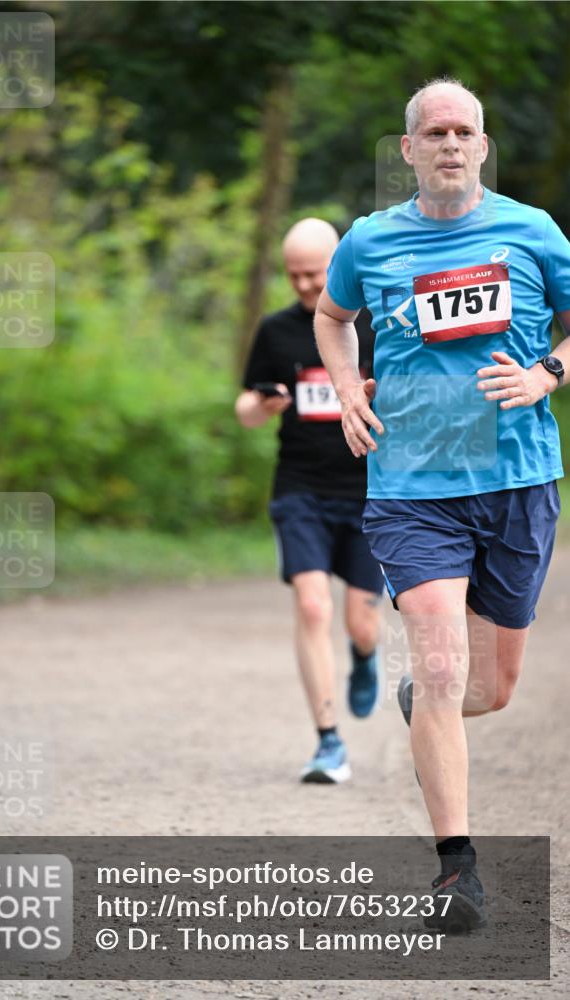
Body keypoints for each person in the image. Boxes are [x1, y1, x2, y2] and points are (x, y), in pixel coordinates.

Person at [315, 79, 570, 931]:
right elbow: (332, 314)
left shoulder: (531, 232)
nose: (451, 143)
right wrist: (348, 387)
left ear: (482, 147)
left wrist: (546, 374)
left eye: (464, 131)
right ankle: (456, 871)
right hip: (411, 489)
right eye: (435, 132)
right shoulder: (370, 240)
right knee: (438, 664)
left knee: (489, 689)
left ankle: (427, 705)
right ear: (409, 150)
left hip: (516, 480)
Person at [235, 218, 384, 785]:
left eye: (313, 273)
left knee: (361, 624)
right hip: (300, 488)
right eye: (293, 274)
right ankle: (328, 742)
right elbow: (245, 410)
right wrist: (262, 406)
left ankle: (365, 658)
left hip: (369, 491)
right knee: (314, 607)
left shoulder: (374, 326)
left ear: (340, 266)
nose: (301, 285)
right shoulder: (276, 333)